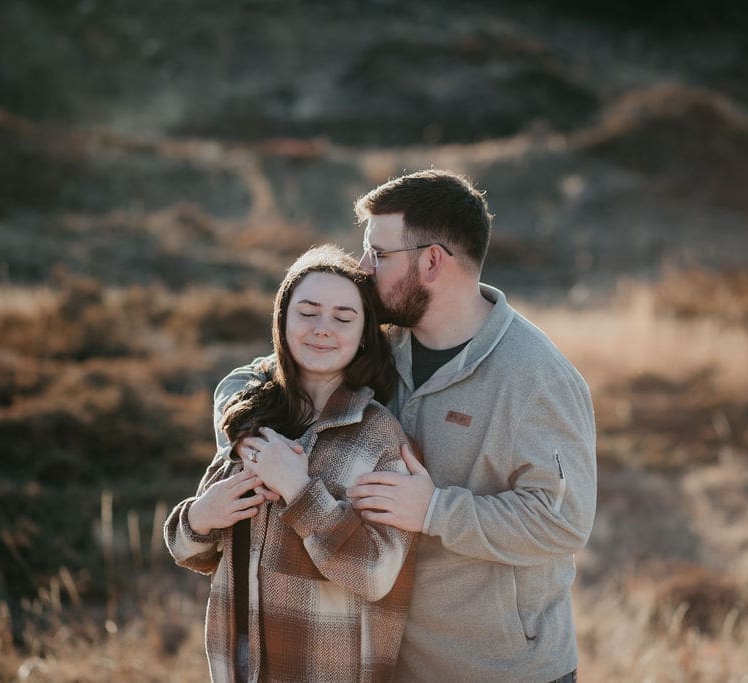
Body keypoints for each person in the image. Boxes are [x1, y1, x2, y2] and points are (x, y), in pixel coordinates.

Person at [222, 169, 596, 681]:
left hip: (502, 668)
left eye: (378, 253)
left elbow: (563, 521)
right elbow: (261, 374)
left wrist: (436, 510)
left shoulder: (535, 376)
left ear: (432, 261)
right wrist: (242, 429)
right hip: (387, 662)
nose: (362, 265)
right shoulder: (381, 341)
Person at [165, 245, 418, 683]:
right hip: (240, 668)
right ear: (281, 321)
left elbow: (377, 574)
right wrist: (201, 517)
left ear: (363, 335)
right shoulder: (252, 422)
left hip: (326, 670)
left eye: (343, 318)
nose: (323, 329)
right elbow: (191, 550)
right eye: (307, 313)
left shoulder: (378, 437)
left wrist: (300, 492)